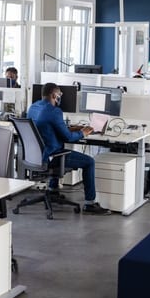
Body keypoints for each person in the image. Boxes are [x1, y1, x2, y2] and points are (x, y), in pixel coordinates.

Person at [27, 83, 111, 215]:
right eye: (59, 95)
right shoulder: (54, 111)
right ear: (54, 95)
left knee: (58, 146)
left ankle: (53, 189)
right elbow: (68, 137)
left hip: (36, 156)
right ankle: (90, 203)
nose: (60, 98)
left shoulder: (33, 107)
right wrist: (83, 133)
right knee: (89, 162)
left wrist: (75, 128)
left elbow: (48, 128)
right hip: (51, 157)